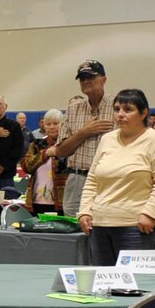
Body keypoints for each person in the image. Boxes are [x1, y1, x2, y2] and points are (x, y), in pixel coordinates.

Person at [77, 90, 155, 266]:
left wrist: (150, 214)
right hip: (100, 224)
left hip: (137, 226)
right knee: (104, 285)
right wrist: (84, 211)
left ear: (144, 113)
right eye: (117, 109)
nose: (120, 114)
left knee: (136, 286)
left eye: (128, 109)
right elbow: (92, 179)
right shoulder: (107, 139)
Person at [51, 60, 115, 217]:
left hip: (109, 180)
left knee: (107, 226)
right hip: (77, 180)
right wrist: (84, 132)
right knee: (73, 234)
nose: (86, 81)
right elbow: (60, 152)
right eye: (82, 78)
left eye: (90, 77)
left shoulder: (118, 107)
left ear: (104, 80)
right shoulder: (73, 110)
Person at [20, 110, 66, 215]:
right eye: (48, 124)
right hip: (37, 200)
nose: (51, 127)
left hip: (62, 201)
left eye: (55, 123)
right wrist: (45, 154)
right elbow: (26, 166)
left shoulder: (68, 144)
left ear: (63, 125)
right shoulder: (37, 144)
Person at [0, 94, 25, 198]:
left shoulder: (13, 126)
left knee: (4, 203)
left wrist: (2, 166)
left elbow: (17, 149)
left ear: (6, 106)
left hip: (5, 173)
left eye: (0, 104)